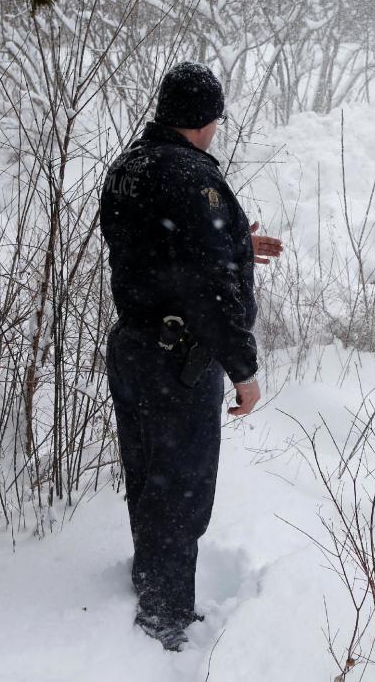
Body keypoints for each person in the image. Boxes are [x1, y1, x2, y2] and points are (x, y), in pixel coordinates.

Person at [99, 61, 282, 651]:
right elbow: (211, 288)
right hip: (178, 359)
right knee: (182, 489)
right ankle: (165, 620)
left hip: (131, 348)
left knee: (147, 475)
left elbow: (153, 246)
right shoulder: (191, 177)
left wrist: (229, 237)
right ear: (206, 119)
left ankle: (152, 582)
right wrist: (244, 369)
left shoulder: (126, 168)